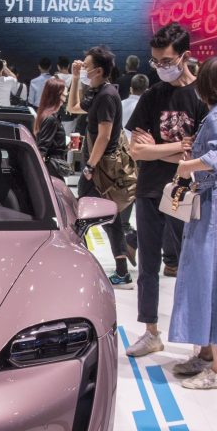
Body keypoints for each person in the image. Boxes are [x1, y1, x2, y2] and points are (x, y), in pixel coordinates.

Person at [125, 22, 209, 359]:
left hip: (187, 191)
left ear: (185, 56)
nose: (161, 67)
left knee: (192, 265)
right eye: (156, 61)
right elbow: (136, 150)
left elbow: (201, 154)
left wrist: (159, 148)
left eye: (167, 60)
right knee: (148, 263)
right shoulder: (152, 95)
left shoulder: (203, 96)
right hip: (149, 190)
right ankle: (150, 331)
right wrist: (176, 148)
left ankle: (198, 338)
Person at [168, 55, 217, 389]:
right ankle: (208, 355)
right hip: (213, 203)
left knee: (214, 280)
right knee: (205, 277)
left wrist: (191, 165)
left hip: (214, 205)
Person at [68, 46, 137, 289]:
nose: (83, 69)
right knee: (111, 217)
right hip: (98, 167)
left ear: (98, 70)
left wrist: (89, 166)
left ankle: (73, 263)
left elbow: (104, 135)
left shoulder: (107, 95)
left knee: (80, 216)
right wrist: (76, 78)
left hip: (100, 168)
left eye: (86, 67)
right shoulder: (96, 91)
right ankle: (122, 271)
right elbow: (73, 107)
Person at [34, 78, 69, 171]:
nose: (66, 94)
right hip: (53, 168)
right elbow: (42, 148)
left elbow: (47, 145)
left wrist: (64, 147)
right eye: (63, 92)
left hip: (54, 165)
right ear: (57, 94)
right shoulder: (51, 119)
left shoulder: (49, 116)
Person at [121, 74, 148, 139]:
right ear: (147, 90)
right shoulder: (148, 107)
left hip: (121, 143)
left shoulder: (120, 104)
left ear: (131, 89)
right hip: (140, 144)